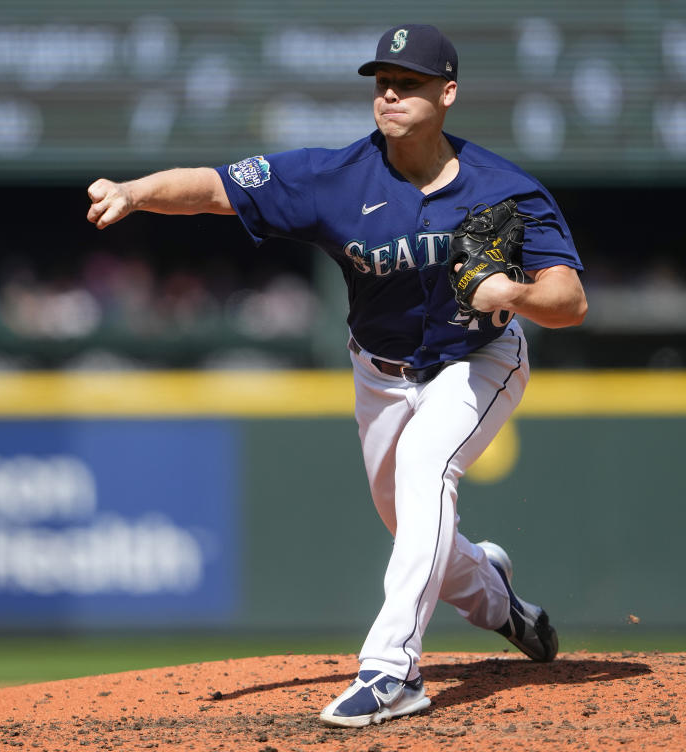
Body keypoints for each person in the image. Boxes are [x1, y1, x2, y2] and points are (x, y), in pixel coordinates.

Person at [87, 23, 587, 728]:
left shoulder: (504, 189)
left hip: (478, 359)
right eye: (382, 80)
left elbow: (570, 300)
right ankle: (499, 601)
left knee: (424, 470)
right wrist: (136, 191)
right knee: (413, 523)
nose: (390, 93)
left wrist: (515, 294)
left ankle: (391, 673)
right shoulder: (335, 178)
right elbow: (213, 188)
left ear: (447, 94)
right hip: (379, 373)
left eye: (408, 82)